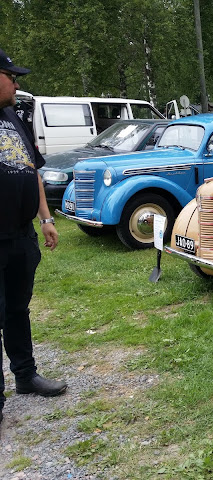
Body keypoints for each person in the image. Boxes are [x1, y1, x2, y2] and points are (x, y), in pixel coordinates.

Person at [0, 47, 67, 425]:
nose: (16, 84)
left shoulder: (14, 116)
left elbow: (32, 169)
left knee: (17, 309)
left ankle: (25, 376)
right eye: (10, 77)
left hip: (21, 235)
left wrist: (46, 218)